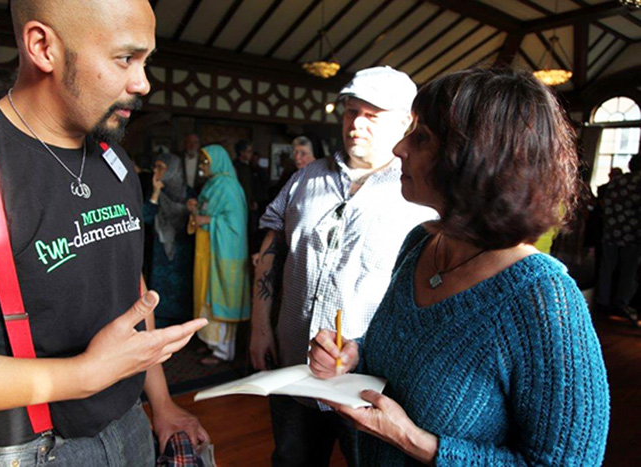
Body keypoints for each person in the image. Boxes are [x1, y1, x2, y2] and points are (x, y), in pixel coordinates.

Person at [0, 0, 209, 464]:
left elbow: (129, 288)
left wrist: (161, 403)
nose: (142, 82)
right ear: (44, 47)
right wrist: (82, 374)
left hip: (129, 425)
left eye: (146, 61)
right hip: (16, 450)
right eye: (125, 59)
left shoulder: (116, 160)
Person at [308, 67, 610, 466]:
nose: (400, 149)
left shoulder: (543, 299)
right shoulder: (422, 243)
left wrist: (416, 442)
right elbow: (406, 355)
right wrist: (352, 356)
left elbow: (568, 463)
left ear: (478, 158)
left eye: (421, 137)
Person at [250, 66, 436, 466]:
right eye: (352, 112)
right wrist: (260, 327)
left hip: (370, 384)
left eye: (373, 115)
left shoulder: (419, 195)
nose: (356, 124)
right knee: (291, 459)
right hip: (293, 368)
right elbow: (270, 248)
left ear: (407, 121)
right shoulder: (305, 179)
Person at [190, 144, 250, 366]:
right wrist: (195, 209)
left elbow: (234, 225)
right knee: (206, 294)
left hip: (224, 250)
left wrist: (208, 220)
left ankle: (223, 350)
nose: (203, 165)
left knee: (220, 294)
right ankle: (209, 341)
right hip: (208, 249)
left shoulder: (228, 186)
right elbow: (204, 213)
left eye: (206, 161)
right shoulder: (212, 184)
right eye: (202, 161)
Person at [144, 153, 196, 327]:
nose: (156, 171)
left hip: (182, 246)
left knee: (182, 286)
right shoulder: (154, 189)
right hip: (160, 247)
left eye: (161, 167)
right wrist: (155, 193)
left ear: (172, 170)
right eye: (155, 167)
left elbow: (195, 220)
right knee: (160, 288)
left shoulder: (188, 192)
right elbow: (146, 217)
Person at [596, 153, 641, 325]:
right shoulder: (638, 182)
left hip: (611, 232)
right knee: (628, 272)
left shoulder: (616, 182)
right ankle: (621, 303)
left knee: (607, 268)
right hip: (632, 235)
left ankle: (602, 300)